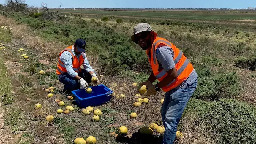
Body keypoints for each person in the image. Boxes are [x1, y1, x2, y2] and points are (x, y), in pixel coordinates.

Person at [131, 23, 198, 144]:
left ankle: (168, 141)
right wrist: (149, 81)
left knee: (171, 118)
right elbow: (158, 69)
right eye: (137, 38)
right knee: (164, 113)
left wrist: (156, 87)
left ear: (151, 34)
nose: (140, 40)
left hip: (185, 82)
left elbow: (173, 74)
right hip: (176, 83)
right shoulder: (150, 48)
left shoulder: (160, 49)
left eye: (143, 36)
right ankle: (169, 136)